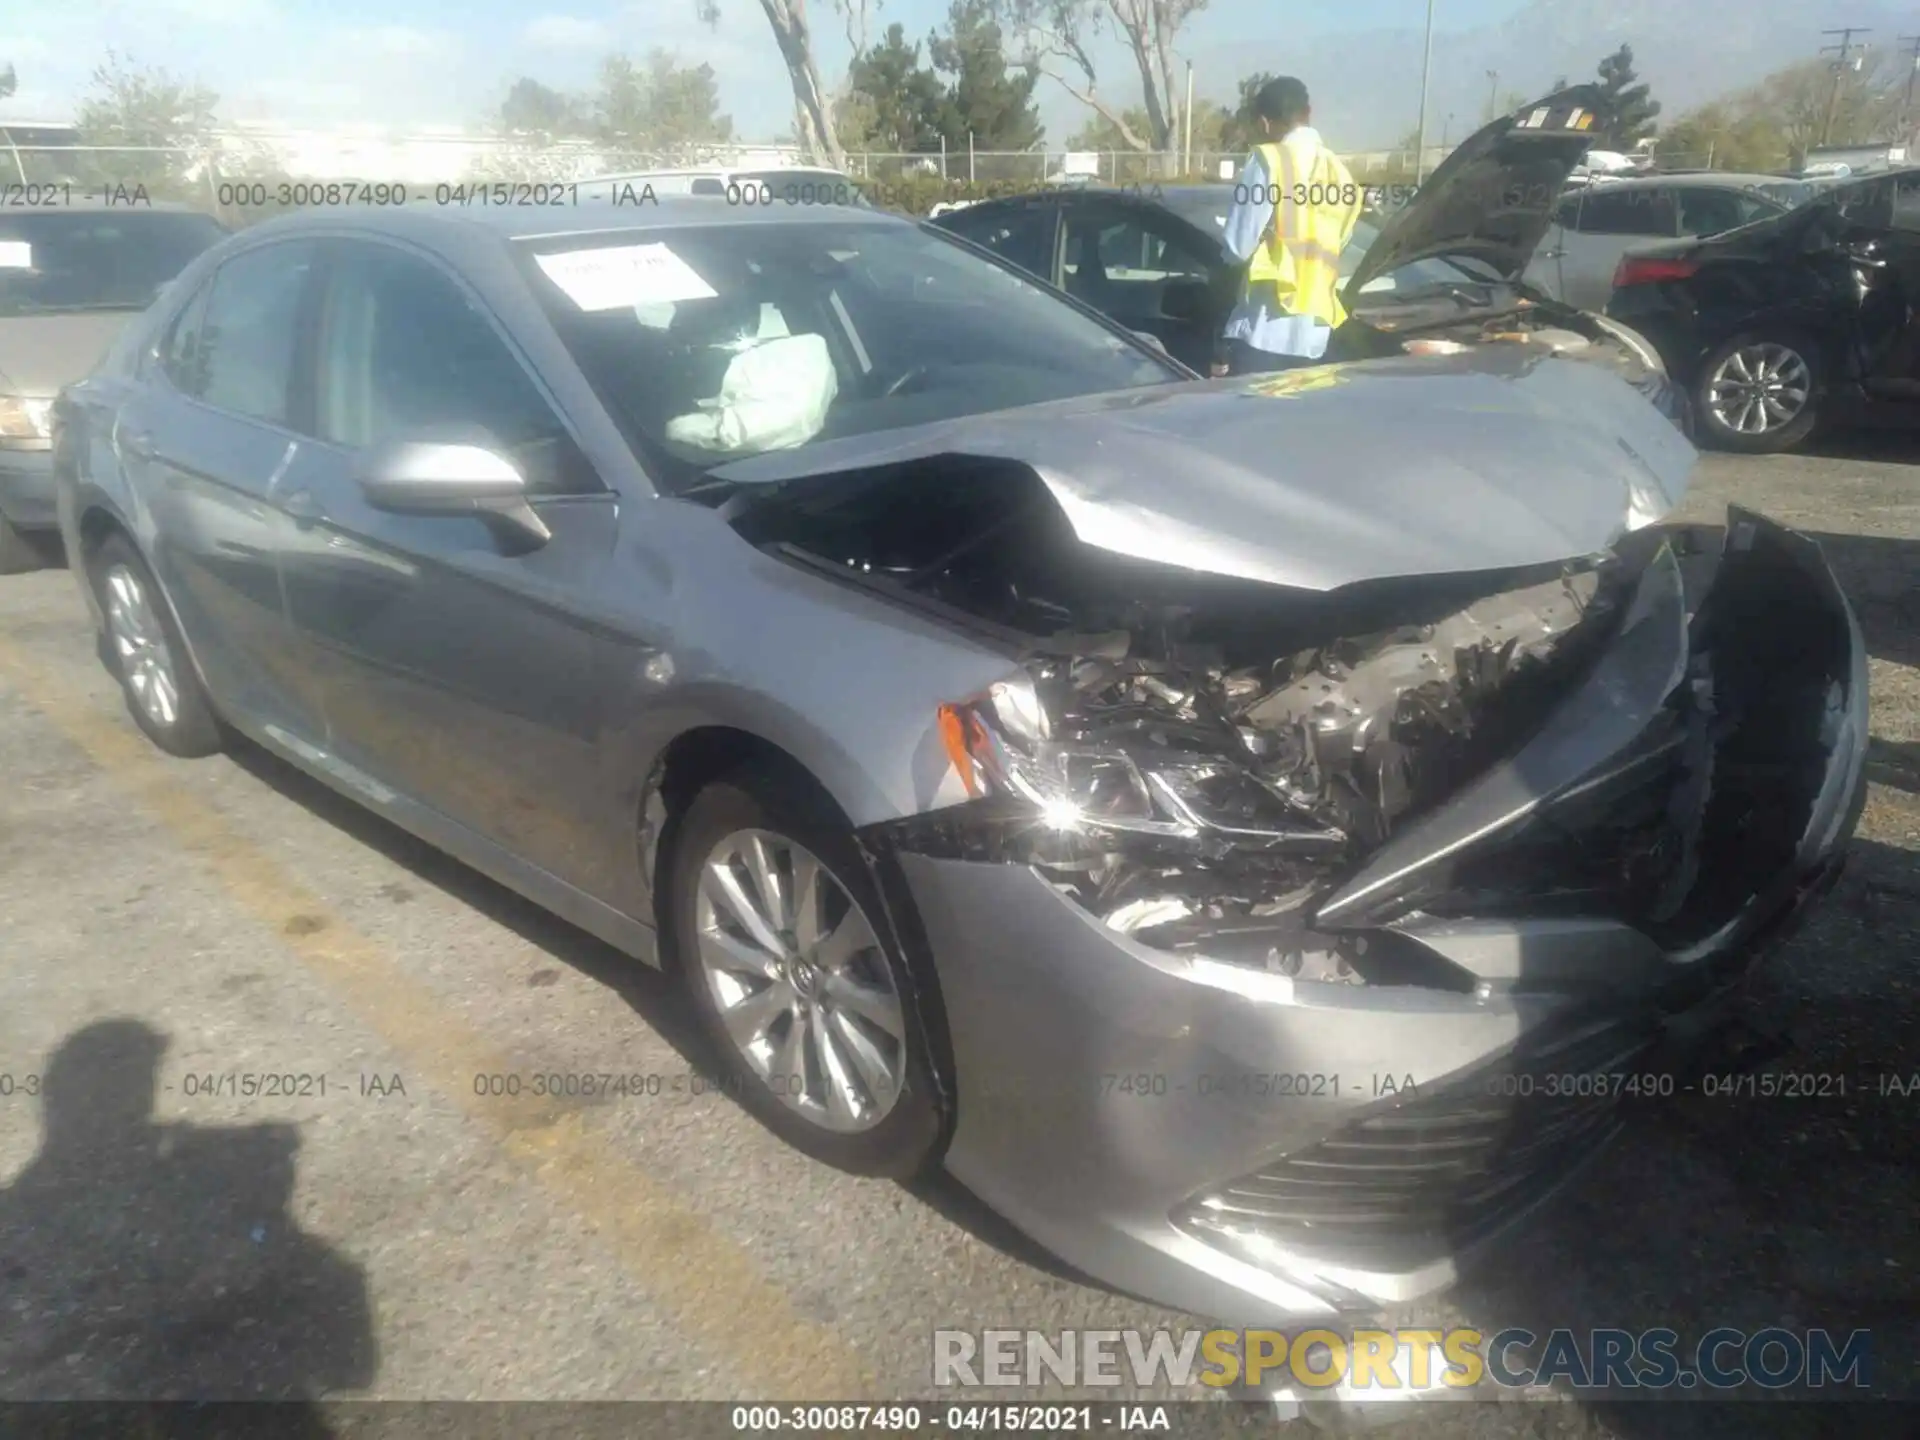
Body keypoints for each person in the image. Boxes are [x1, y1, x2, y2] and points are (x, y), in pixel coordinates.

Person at [1215, 76, 1363, 376]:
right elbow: (1338, 241)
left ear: (1264, 123)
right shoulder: (1340, 173)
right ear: (1308, 113)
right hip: (1317, 334)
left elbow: (1237, 246)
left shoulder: (1269, 160)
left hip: (1265, 328)